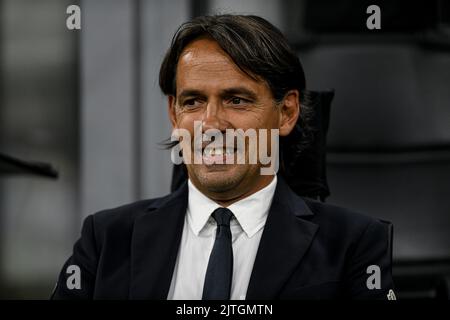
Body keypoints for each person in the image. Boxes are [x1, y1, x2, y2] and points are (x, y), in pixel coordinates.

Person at [51, 14, 395, 300]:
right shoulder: (105, 239)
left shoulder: (354, 243)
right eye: (193, 102)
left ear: (286, 112)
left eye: (237, 100)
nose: (210, 124)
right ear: (174, 114)